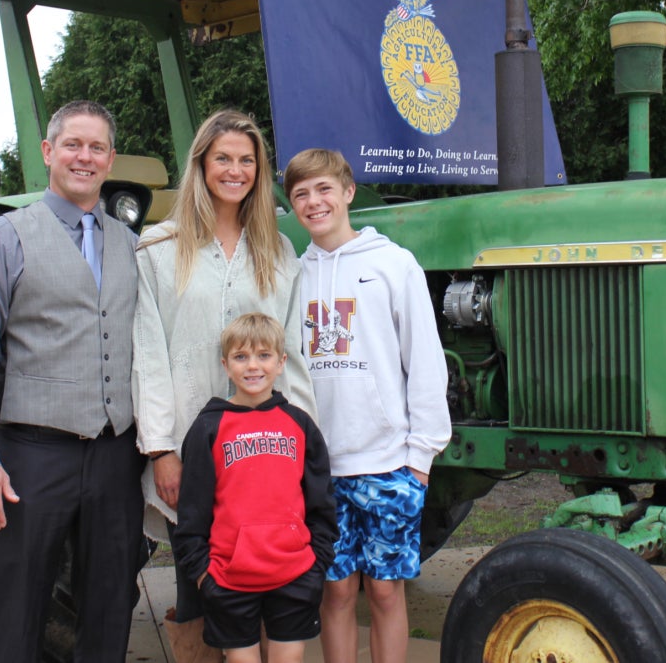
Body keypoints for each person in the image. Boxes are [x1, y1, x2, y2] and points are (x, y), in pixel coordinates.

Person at [0, 100, 144, 662]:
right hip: (32, 457)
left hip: (114, 457)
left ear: (110, 159)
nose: (85, 157)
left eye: (97, 147)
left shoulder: (130, 245)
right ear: (49, 152)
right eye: (73, 145)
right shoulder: (6, 237)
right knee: (17, 613)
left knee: (110, 608)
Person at [132, 108, 317, 657]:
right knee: (198, 580)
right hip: (193, 444)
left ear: (258, 172)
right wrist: (162, 449)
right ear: (201, 165)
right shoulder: (159, 250)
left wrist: (304, 443)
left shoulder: (278, 252)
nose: (235, 170)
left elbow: (295, 353)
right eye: (223, 159)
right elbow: (150, 354)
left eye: (246, 161)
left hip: (267, 452)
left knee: (268, 577)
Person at [283, 148, 452, 663]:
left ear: (348, 192)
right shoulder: (293, 276)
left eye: (324, 189)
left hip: (388, 465)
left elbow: (424, 361)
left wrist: (419, 460)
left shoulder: (393, 265)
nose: (314, 202)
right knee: (335, 593)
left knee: (383, 592)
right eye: (301, 194)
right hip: (321, 470)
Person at [172, 313, 337, 663]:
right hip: (229, 577)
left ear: (281, 362)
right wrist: (205, 574)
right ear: (225, 364)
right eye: (241, 356)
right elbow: (192, 512)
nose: (253, 366)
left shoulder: (299, 425)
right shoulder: (209, 428)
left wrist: (316, 564)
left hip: (294, 573)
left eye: (264, 355)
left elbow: (321, 503)